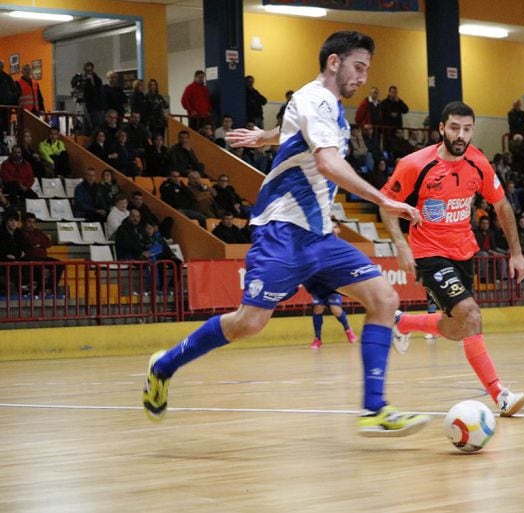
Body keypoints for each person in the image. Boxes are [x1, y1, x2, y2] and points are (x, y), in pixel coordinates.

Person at [142, 31, 429, 437]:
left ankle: (375, 407)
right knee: (249, 323)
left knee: (384, 298)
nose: (363, 78)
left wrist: (266, 137)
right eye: (358, 67)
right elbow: (328, 163)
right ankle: (164, 365)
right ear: (334, 62)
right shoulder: (315, 98)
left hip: (320, 236)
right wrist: (384, 200)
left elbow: (298, 130)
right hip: (283, 230)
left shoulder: (320, 105)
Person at [379, 100, 524, 418]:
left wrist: (516, 253)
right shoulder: (414, 164)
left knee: (460, 326)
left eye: (467, 129)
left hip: (463, 251)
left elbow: (502, 207)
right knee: (472, 316)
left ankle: (403, 322)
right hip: (428, 254)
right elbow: (385, 203)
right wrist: (400, 245)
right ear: (442, 129)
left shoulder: (478, 163)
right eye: (455, 128)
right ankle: (499, 394)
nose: (461, 135)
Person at [309, 218, 358, 349]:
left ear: (339, 229)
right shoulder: (318, 244)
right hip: (319, 283)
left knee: (336, 309)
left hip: (335, 283)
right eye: (330, 227)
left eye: (335, 227)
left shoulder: (343, 245)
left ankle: (348, 329)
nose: (332, 229)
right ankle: (317, 338)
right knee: (318, 308)